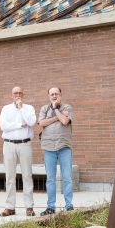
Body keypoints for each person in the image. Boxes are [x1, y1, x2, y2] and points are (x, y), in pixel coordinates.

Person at [0, 86, 37, 217]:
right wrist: (19, 124)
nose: (18, 95)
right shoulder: (6, 109)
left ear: (23, 94)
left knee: (27, 175)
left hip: (25, 144)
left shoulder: (29, 108)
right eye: (15, 93)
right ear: (11, 95)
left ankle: (29, 207)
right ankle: (10, 207)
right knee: (10, 176)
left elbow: (31, 122)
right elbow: (3, 127)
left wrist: (21, 109)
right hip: (9, 145)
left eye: (20, 93)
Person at [36, 86, 74, 215]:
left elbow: (65, 121)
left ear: (60, 95)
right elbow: (41, 123)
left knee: (67, 177)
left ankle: (69, 205)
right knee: (50, 179)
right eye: (51, 94)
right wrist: (56, 116)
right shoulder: (44, 109)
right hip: (48, 147)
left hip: (64, 147)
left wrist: (56, 109)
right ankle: (50, 207)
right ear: (49, 96)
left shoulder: (67, 107)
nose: (54, 96)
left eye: (56, 94)